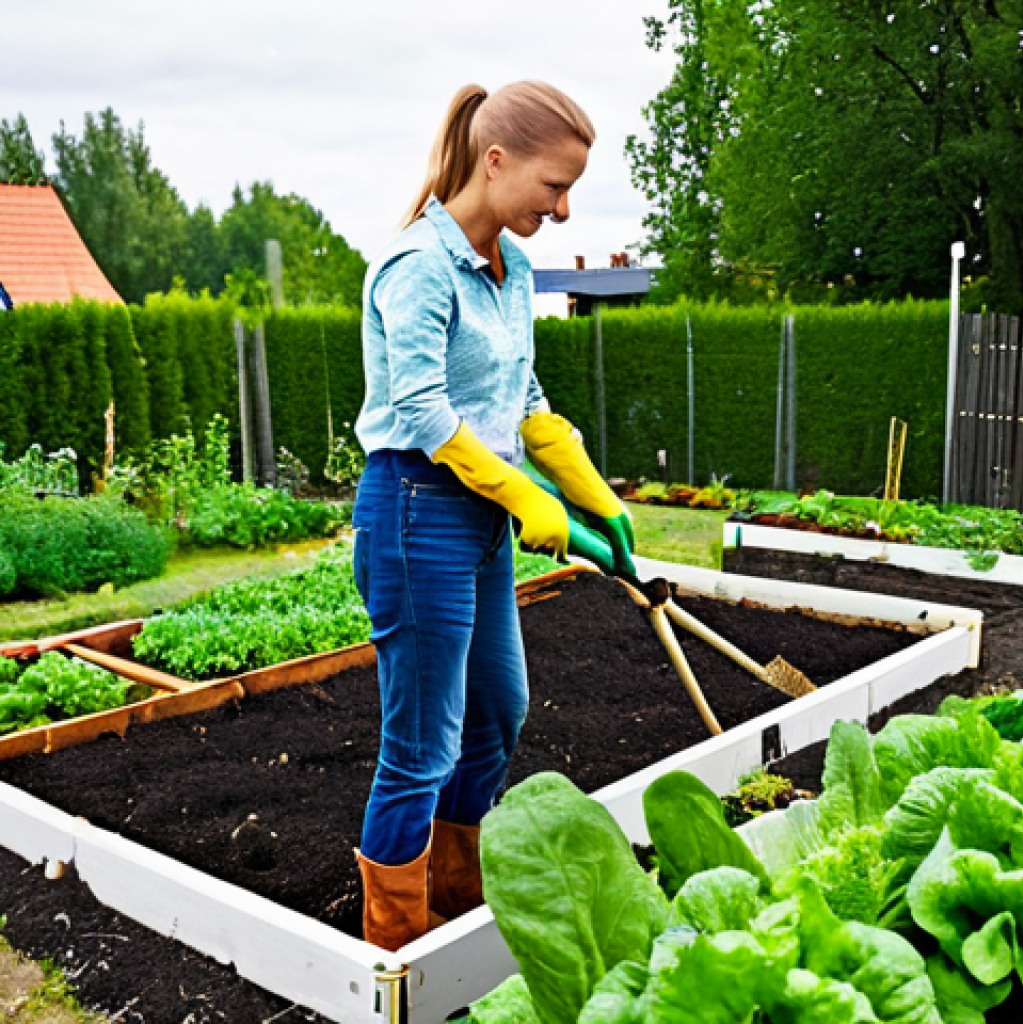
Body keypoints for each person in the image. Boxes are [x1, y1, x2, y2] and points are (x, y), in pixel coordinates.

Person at [352, 80, 636, 952]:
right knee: (422, 743)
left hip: (475, 520)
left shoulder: (511, 274)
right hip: (415, 510)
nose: (562, 206)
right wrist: (522, 495)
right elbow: (426, 409)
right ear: (496, 159)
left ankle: (455, 901)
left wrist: (591, 492)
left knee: (499, 714)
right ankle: (395, 950)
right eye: (554, 186)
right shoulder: (417, 266)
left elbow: (525, 398)